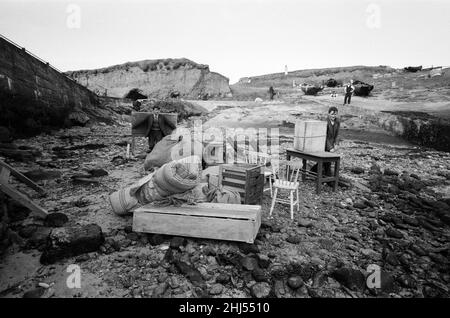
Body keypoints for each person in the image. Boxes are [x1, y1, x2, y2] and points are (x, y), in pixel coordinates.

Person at [311, 106, 340, 177]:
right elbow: (325, 136)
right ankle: (328, 178)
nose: (334, 116)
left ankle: (312, 171)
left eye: (335, 114)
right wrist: (330, 148)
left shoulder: (337, 121)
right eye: (332, 114)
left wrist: (336, 144)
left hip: (331, 144)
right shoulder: (325, 122)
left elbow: (337, 134)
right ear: (328, 114)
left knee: (325, 161)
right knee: (327, 161)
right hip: (324, 143)